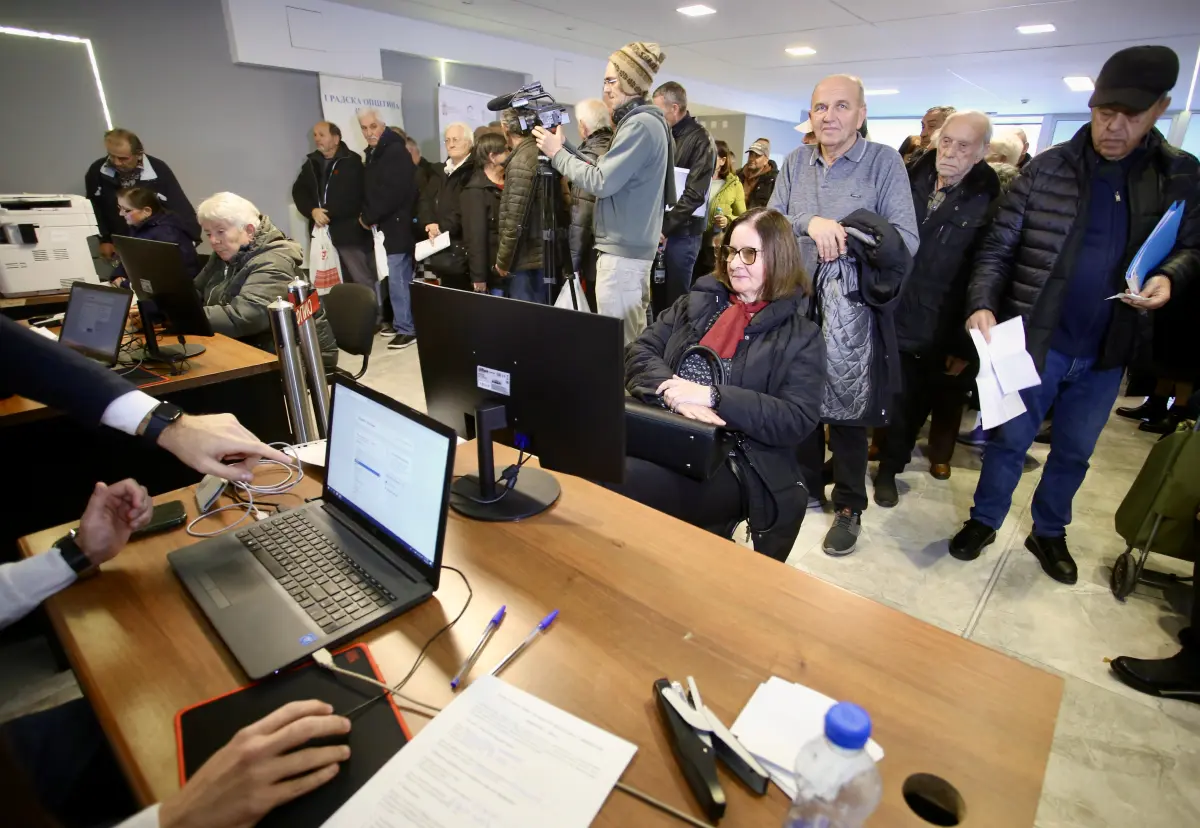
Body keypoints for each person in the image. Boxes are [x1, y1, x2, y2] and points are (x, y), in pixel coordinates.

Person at [948, 45, 1199, 583]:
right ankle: (984, 519)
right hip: (1035, 339)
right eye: (1104, 112)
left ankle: (1049, 530)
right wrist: (982, 302)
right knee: (1008, 441)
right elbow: (997, 247)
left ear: (1160, 108)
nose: (1114, 127)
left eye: (1130, 116)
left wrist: (1169, 276)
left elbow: (1191, 247)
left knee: (1075, 450)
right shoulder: (1049, 167)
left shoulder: (1177, 174)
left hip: (1109, 346)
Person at [769, 73, 919, 557]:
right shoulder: (795, 162)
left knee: (851, 411)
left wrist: (847, 233)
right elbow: (770, 222)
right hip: (795, 302)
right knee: (798, 400)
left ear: (860, 114)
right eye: (820, 107)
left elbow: (906, 240)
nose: (829, 116)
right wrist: (809, 223)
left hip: (852, 310)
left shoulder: (884, 162)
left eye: (841, 106)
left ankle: (850, 504)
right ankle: (806, 486)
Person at [620, 208, 825, 561]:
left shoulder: (802, 336)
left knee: (622, 479)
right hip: (666, 427)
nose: (734, 263)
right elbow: (639, 352)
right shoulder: (697, 302)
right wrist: (674, 394)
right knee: (592, 459)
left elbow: (796, 417)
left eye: (749, 253)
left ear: (779, 257)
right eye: (730, 251)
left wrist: (713, 397)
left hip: (737, 458)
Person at [873, 112, 1000, 507]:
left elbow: (985, 269)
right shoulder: (908, 176)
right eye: (946, 141)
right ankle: (850, 463)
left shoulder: (989, 198)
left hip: (936, 320)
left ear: (981, 151)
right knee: (870, 392)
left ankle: (889, 471)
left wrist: (963, 345)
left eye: (963, 146)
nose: (950, 152)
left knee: (910, 404)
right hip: (887, 305)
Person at [533, 42, 676, 344]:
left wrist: (557, 154)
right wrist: (565, 148)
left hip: (622, 256)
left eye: (611, 81)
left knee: (622, 346)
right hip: (630, 253)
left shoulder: (639, 125)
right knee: (631, 341)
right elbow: (608, 172)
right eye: (605, 81)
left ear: (630, 82)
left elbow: (601, 181)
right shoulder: (650, 123)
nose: (606, 89)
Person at [194, 192, 339, 369]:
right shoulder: (224, 255)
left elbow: (245, 317)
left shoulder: (274, 261)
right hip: (254, 346)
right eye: (208, 233)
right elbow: (195, 291)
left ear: (249, 230)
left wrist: (185, 317)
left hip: (299, 358)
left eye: (220, 232)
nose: (213, 240)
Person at [290, 121, 377, 301]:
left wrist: (326, 213)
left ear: (336, 139)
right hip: (321, 233)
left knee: (359, 279)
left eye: (322, 135)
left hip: (348, 234)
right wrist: (312, 211)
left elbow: (354, 196)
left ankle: (371, 315)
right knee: (329, 286)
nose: (317, 139)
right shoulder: (311, 163)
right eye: (315, 135)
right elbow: (299, 191)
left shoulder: (352, 162)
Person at [85, 128, 199, 262]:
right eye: (111, 156)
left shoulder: (158, 170)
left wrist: (189, 241)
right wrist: (104, 239)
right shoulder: (97, 170)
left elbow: (179, 207)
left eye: (123, 158)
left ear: (138, 154)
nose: (116, 162)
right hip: (118, 240)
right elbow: (94, 207)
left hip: (153, 241)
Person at [358, 107, 419, 349]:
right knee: (392, 277)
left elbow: (391, 193)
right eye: (364, 128)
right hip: (386, 225)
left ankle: (407, 328)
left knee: (398, 278)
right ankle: (400, 322)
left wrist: (368, 216)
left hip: (397, 225)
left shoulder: (393, 152)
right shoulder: (376, 152)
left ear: (383, 126)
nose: (369, 132)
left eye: (373, 126)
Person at [653, 81, 717, 308]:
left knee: (675, 300)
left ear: (675, 108)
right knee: (656, 296)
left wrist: (664, 227)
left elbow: (695, 194)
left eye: (659, 111)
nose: (656, 117)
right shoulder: (664, 135)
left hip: (684, 234)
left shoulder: (701, 140)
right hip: (662, 229)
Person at [495, 108, 555, 303]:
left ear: (505, 128)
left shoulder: (521, 160)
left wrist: (504, 260)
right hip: (545, 254)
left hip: (526, 258)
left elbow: (515, 217)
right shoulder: (542, 152)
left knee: (526, 318)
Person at [567, 99, 614, 312]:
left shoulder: (586, 158)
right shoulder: (617, 149)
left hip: (594, 256)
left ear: (583, 126)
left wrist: (572, 265)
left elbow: (581, 216)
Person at [418, 122, 476, 291]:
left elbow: (464, 208)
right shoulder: (440, 171)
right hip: (442, 246)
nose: (450, 144)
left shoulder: (474, 171)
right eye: (447, 140)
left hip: (463, 247)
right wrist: (429, 223)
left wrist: (441, 227)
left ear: (469, 142)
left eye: (455, 140)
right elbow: (425, 200)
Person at [110, 187, 200, 286]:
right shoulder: (138, 227)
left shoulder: (167, 233)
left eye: (126, 210)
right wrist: (118, 276)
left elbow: (164, 275)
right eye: (119, 208)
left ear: (147, 211)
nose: (120, 214)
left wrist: (126, 284)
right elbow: (130, 258)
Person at [461, 131, 508, 293]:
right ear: (492, 157)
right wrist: (479, 276)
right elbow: (475, 237)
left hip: (512, 268)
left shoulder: (510, 182)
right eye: (506, 150)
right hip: (492, 272)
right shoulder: (476, 190)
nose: (511, 154)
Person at [694, 140, 745, 279]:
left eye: (712, 155)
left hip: (714, 243)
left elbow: (743, 217)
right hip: (692, 239)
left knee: (710, 280)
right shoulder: (695, 179)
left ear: (722, 160)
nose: (706, 158)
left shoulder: (734, 184)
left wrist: (727, 220)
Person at [739, 140, 778, 209]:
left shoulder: (775, 180)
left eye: (757, 155)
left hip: (758, 216)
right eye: (751, 154)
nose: (751, 159)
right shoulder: (738, 175)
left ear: (766, 160)